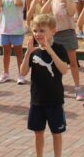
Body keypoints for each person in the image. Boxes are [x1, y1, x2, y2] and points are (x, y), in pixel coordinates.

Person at [20, 13, 70, 157]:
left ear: (53, 31)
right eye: (35, 31)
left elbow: (64, 69)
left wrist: (49, 50)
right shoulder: (33, 50)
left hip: (54, 100)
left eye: (42, 31)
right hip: (37, 100)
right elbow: (23, 73)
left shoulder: (59, 48)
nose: (38, 34)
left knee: (56, 133)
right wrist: (27, 54)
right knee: (38, 133)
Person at [42, 0, 84, 100]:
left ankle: (78, 88)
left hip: (69, 33)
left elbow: (71, 13)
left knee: (73, 63)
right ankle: (56, 86)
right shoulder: (53, 1)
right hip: (56, 35)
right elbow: (43, 11)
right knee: (55, 62)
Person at [0, 0, 27, 85]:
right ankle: (6, 73)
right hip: (5, 31)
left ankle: (21, 74)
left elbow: (17, 3)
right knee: (6, 53)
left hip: (17, 31)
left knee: (19, 54)